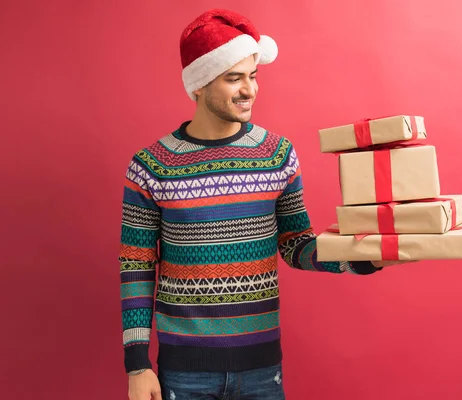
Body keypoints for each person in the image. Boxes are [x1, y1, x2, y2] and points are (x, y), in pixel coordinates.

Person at [119, 8, 402, 400]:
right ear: (199, 85)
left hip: (261, 370)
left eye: (253, 76)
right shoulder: (151, 165)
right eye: (233, 78)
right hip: (183, 374)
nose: (249, 89)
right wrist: (137, 364)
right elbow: (135, 265)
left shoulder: (278, 154)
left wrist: (366, 257)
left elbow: (296, 245)